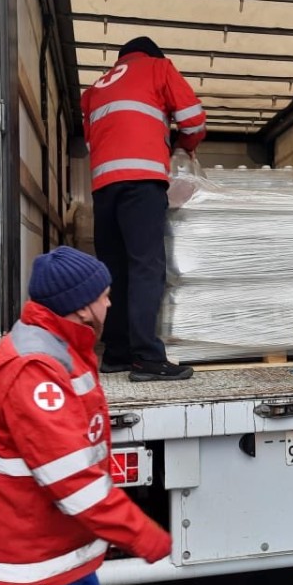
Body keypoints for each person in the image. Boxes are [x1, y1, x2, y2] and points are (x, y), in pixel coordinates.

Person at [0, 246, 172, 585]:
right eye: (105, 296)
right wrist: (143, 535)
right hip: (28, 571)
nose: (110, 304)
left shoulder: (58, 347)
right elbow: (75, 480)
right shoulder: (34, 368)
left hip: (54, 557)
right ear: (83, 307)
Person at [81, 35, 206, 381]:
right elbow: (194, 121)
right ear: (153, 55)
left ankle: (117, 353)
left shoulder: (94, 90)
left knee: (115, 269)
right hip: (142, 182)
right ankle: (148, 358)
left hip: (103, 189)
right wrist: (182, 145)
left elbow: (93, 140)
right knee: (146, 268)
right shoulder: (157, 68)